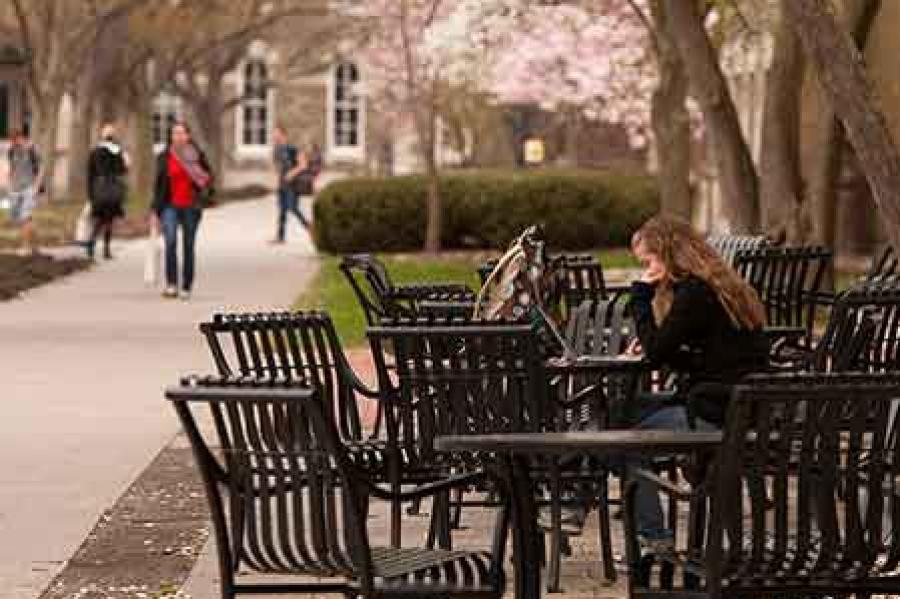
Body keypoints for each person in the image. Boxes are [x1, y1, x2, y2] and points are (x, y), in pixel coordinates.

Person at [627, 215, 769, 549]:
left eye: (648, 262)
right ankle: (582, 500)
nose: (646, 271)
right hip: (735, 403)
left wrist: (641, 297)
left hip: (715, 411)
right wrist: (660, 344)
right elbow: (704, 357)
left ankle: (651, 535)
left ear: (667, 254)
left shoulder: (694, 293)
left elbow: (656, 356)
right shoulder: (723, 285)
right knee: (617, 414)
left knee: (622, 434)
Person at [151, 122, 214, 300]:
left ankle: (186, 286)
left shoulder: (195, 155)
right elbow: (158, 185)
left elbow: (208, 178)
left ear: (188, 136)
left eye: (181, 133)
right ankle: (171, 284)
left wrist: (202, 186)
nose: (177, 137)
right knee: (170, 242)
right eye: (174, 133)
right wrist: (155, 210)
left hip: (191, 206)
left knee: (188, 245)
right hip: (170, 205)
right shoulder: (164, 156)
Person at [86, 123, 128, 260]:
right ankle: (106, 249)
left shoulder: (95, 151)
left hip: (98, 188)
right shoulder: (117, 151)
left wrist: (90, 193)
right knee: (109, 219)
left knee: (99, 218)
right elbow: (122, 170)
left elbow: (90, 173)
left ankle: (92, 241)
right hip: (112, 188)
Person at [7, 130, 43, 255]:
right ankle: (35, 245)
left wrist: (36, 186)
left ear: (22, 138)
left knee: (25, 217)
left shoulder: (32, 150)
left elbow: (40, 168)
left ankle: (26, 247)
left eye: (16, 140)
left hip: (29, 188)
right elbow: (12, 167)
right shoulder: (11, 151)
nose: (14, 143)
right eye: (12, 141)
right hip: (15, 189)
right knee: (17, 218)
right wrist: (9, 185)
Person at [271, 125, 308, 243]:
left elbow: (303, 164)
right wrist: (277, 180)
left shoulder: (292, 148)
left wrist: (292, 173)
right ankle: (280, 237)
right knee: (281, 210)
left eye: (276, 133)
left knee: (293, 208)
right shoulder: (276, 150)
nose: (274, 136)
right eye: (273, 133)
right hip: (282, 183)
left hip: (293, 183)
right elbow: (277, 167)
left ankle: (310, 228)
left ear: (283, 134)